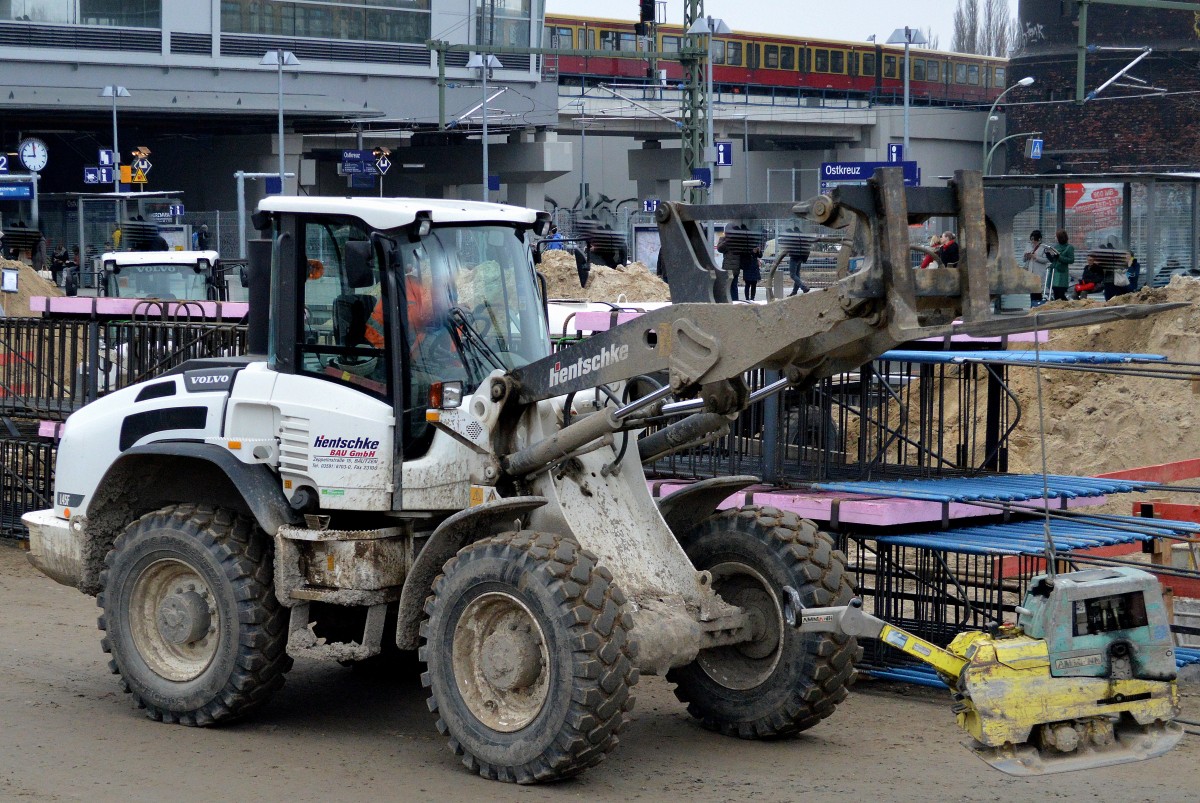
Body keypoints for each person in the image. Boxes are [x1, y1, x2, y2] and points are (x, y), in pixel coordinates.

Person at [1022, 230, 1050, 303]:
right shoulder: (1028, 246)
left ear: (1039, 239)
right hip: (1031, 272)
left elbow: (1046, 260)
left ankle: (1038, 305)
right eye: (1032, 239)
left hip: (1039, 273)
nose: (1033, 242)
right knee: (1032, 290)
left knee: (1038, 291)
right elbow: (1023, 260)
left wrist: (1036, 257)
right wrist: (1026, 256)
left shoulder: (1044, 248)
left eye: (1034, 240)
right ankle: (1033, 306)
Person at [1048, 229, 1074, 301]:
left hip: (1062, 274)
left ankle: (1066, 308)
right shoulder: (1055, 247)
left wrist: (1059, 257)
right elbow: (1053, 260)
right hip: (1054, 273)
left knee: (1060, 294)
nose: (1055, 238)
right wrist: (1048, 255)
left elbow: (1071, 260)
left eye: (1056, 237)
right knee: (1056, 293)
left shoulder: (1069, 247)